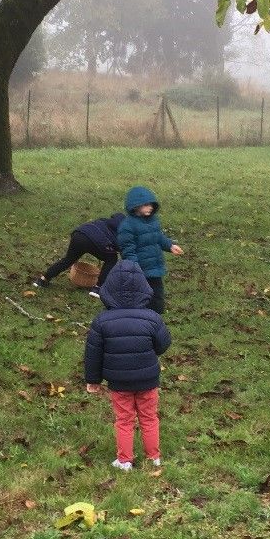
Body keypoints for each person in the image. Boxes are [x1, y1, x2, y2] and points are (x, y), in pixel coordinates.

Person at [84, 259, 171, 471]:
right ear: (144, 289)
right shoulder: (152, 318)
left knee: (124, 419)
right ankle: (153, 457)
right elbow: (163, 344)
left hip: (119, 382)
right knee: (149, 417)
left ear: (108, 290)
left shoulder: (101, 321)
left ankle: (125, 460)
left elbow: (93, 353)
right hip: (148, 380)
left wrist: (93, 380)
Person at [117, 186, 183, 315]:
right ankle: (139, 315)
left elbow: (158, 237)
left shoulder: (153, 221)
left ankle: (156, 316)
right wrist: (134, 267)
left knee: (157, 294)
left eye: (152, 205)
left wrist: (170, 246)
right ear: (136, 206)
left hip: (154, 267)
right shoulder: (127, 226)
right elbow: (128, 250)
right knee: (141, 294)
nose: (150, 207)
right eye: (146, 205)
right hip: (140, 269)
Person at [31, 213, 125, 297]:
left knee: (68, 260)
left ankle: (43, 280)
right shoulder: (124, 233)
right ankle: (97, 288)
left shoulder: (107, 220)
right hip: (97, 242)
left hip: (80, 234)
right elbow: (122, 248)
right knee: (112, 259)